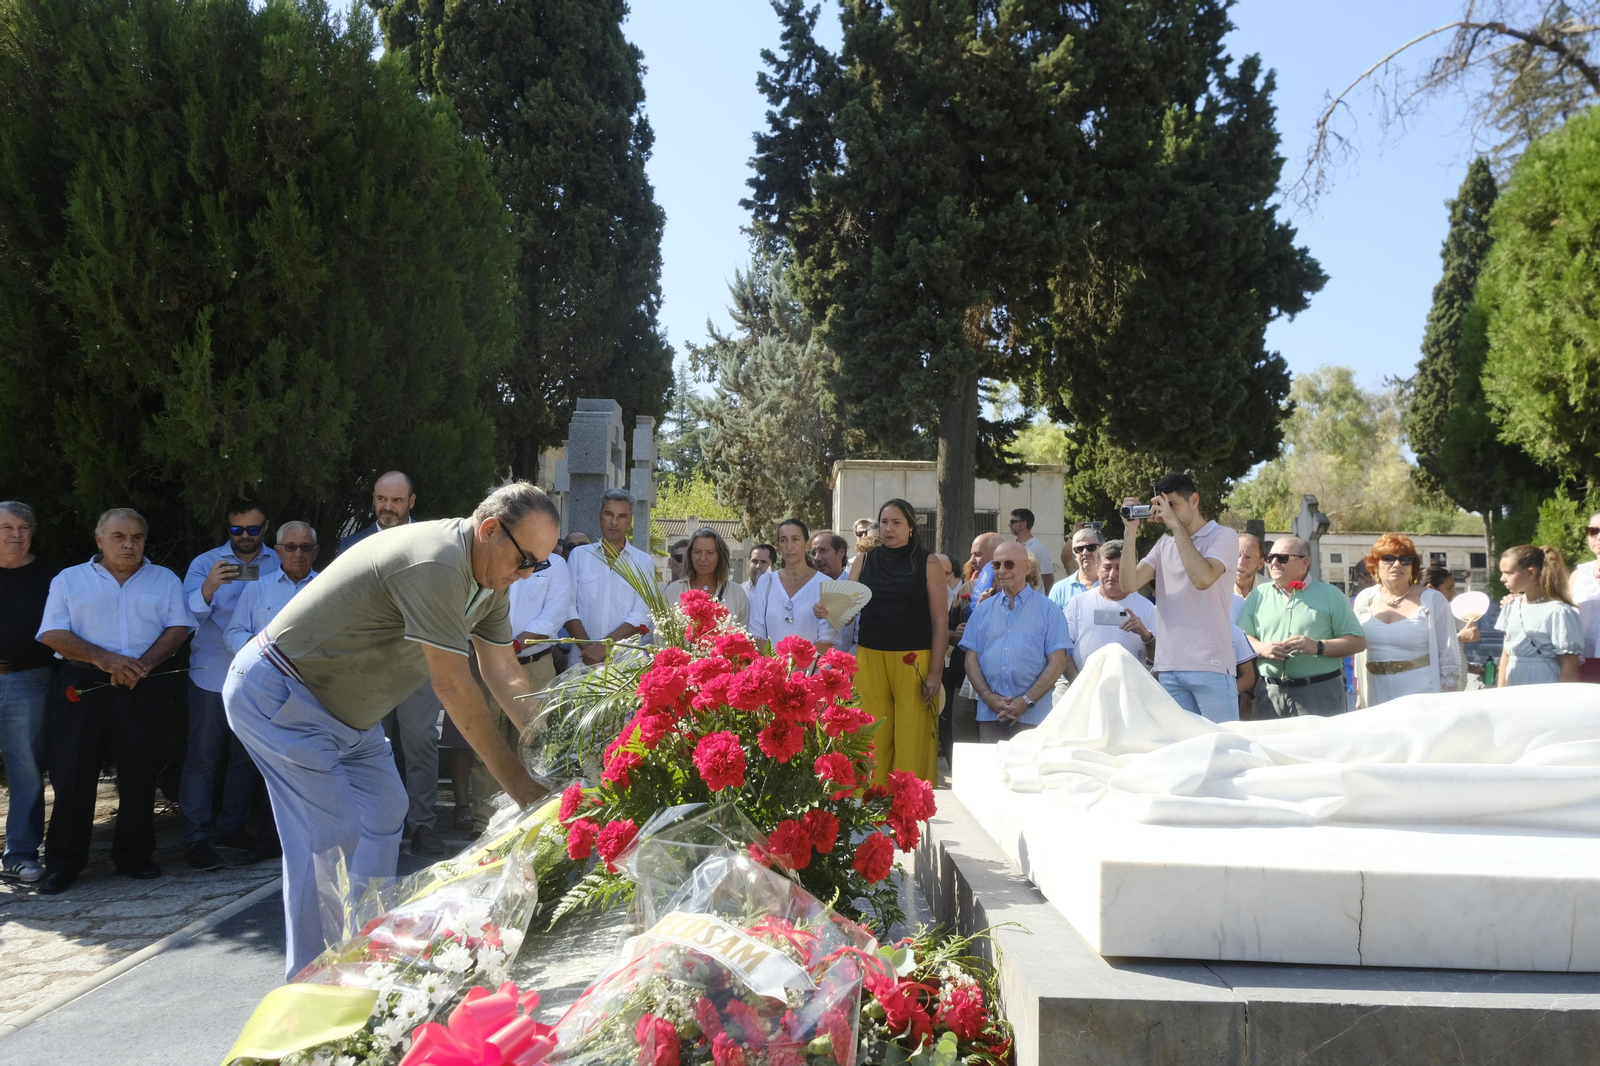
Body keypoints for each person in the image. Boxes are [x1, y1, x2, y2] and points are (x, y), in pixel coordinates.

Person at [224, 481, 556, 976]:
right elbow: (452, 686)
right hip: (281, 693)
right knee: (329, 839)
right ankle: (313, 984)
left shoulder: (491, 581)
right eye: (525, 559)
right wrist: (525, 790)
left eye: (539, 565)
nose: (526, 574)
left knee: (385, 810)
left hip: (349, 716)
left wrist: (550, 745)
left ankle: (362, 954)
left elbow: (502, 669)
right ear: (490, 530)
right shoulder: (437, 562)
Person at [35, 509, 194, 894]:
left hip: (144, 680)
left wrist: (144, 664)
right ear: (99, 540)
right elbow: (52, 632)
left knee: (140, 769)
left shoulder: (164, 579)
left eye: (137, 537)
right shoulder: (70, 579)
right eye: (119, 536)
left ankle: (134, 855)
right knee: (73, 771)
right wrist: (104, 659)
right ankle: (64, 863)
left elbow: (179, 627)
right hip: (82, 681)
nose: (129, 544)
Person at [179, 499, 281, 871]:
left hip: (257, 676)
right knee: (202, 757)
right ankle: (194, 837)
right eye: (237, 529)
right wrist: (208, 588)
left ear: (265, 527)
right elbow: (184, 617)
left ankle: (232, 827)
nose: (244, 537)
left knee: (245, 758)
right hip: (211, 673)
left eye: (253, 529)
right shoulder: (205, 563)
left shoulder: (279, 560)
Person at [221, 520, 320, 866]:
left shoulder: (328, 587)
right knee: (263, 764)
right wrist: (257, 649)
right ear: (277, 551)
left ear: (316, 552)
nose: (298, 554)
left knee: (308, 763)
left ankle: (310, 839)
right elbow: (232, 632)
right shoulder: (258, 589)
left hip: (313, 691)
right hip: (263, 691)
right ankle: (264, 839)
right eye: (290, 547)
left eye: (305, 547)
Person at [1119, 473, 1240, 723]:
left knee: (1224, 743)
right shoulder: (1164, 545)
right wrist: (1130, 532)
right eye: (1162, 506)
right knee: (1181, 746)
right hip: (1169, 667)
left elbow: (1203, 578)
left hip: (1211, 665)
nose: (1166, 513)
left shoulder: (1223, 536)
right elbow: (1128, 584)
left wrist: (1175, 526)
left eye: (1172, 504)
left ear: (1194, 500)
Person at [848, 500, 948, 783]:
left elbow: (940, 621)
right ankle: (869, 806)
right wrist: (827, 609)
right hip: (869, 657)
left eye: (896, 523)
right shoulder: (863, 561)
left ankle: (911, 804)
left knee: (912, 737)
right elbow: (846, 613)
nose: (888, 529)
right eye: (884, 522)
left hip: (914, 659)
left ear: (911, 527)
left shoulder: (929, 563)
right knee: (870, 737)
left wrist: (936, 672)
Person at [1237, 536, 1366, 718]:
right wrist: (1263, 648)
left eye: (1282, 558)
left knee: (1320, 738)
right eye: (1270, 557)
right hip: (1269, 693)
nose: (1274, 563)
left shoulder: (1331, 595)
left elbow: (1357, 641)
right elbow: (1242, 637)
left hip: (1319, 692)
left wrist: (1318, 647)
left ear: (1305, 563)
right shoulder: (1258, 594)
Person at [0, 502, 61, 885]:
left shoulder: (52, 576)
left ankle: (20, 855)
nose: (16, 534)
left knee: (26, 770)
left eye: (23, 527)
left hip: (30, 679)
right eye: (6, 527)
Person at [960, 542, 1070, 743]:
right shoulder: (982, 610)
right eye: (996, 565)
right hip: (990, 713)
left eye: (1009, 564)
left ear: (1027, 567)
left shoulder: (1050, 610)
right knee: (992, 764)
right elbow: (971, 659)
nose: (1001, 570)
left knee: (1030, 764)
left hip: (1034, 715)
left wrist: (1026, 700)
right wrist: (988, 697)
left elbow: (1058, 662)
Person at [1351, 535, 1466, 706]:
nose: (1397, 564)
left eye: (1405, 559)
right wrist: (1360, 692)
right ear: (1375, 564)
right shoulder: (1364, 599)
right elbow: (1359, 652)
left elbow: (1448, 656)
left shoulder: (1433, 600)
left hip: (1421, 696)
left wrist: (1446, 702)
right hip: (1376, 693)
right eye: (1388, 558)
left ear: (1413, 566)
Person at [565, 489, 654, 665]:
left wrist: (603, 647)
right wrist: (589, 650)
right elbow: (567, 606)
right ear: (600, 516)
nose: (614, 522)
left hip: (624, 663)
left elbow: (642, 614)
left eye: (622, 516)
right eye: (609, 514)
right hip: (581, 661)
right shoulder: (579, 556)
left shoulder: (643, 562)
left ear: (630, 520)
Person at [1061, 540, 1157, 681]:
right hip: (1083, 687)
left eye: (1119, 568)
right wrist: (1078, 683)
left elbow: (1158, 658)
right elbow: (1062, 650)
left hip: (1130, 689)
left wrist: (1146, 636)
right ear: (1097, 568)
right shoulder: (1077, 604)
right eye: (1107, 567)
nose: (1112, 574)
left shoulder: (1146, 607)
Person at [1495, 544, 1583, 687]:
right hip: (1514, 681)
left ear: (1531, 573)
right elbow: (1506, 654)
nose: (1502, 579)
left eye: (1508, 573)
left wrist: (1560, 697)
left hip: (1544, 682)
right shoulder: (1511, 606)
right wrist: (1501, 691)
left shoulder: (1559, 611)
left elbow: (1570, 663)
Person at [750, 519, 835, 651]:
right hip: (771, 663)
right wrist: (776, 662)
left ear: (807, 544)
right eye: (783, 540)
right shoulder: (765, 582)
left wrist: (802, 663)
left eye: (795, 539)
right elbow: (756, 632)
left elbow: (827, 636)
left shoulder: (826, 584)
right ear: (778, 545)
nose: (789, 547)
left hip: (812, 663)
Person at [667, 527, 751, 629]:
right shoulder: (673, 591)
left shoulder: (736, 593)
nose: (703, 558)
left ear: (720, 557)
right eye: (697, 552)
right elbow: (662, 633)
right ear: (690, 555)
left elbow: (744, 632)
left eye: (710, 553)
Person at [806, 530, 857, 653]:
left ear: (841, 552)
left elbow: (859, 638)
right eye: (814, 553)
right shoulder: (808, 589)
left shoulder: (855, 589)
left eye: (823, 550)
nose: (817, 558)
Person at [340, 470, 415, 552]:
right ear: (374, 499)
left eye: (397, 500)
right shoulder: (351, 546)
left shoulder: (425, 538)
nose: (388, 508)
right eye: (381, 499)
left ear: (411, 501)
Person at [1572, 513, 1600, 682]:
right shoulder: (1579, 574)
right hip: (1584, 659)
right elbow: (1561, 609)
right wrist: (1520, 599)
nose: (1598, 537)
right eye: (1593, 531)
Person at [1425, 565, 1483, 645]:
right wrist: (1459, 638)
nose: (1454, 593)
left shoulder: (1444, 614)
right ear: (1431, 588)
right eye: (1449, 588)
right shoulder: (1420, 615)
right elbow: (1423, 647)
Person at [1049, 526, 1103, 609]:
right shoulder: (1059, 590)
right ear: (1074, 553)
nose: (1085, 552)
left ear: (1102, 549)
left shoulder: (1114, 586)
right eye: (1079, 549)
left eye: (1091, 547)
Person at [1008, 508, 1055, 592]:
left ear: (1023, 524)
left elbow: (1048, 578)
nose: (1009, 525)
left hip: (1034, 597)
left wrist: (1046, 598)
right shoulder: (1012, 546)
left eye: (1013, 522)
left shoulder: (1038, 548)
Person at [1232, 533, 1264, 621]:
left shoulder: (1270, 590)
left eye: (1248, 557)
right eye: (1237, 555)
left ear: (1260, 563)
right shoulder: (1217, 586)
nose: (1240, 562)